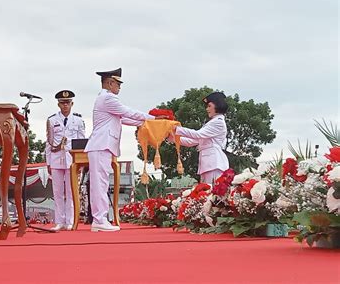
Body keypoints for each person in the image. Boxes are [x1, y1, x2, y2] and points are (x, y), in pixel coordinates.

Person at [84, 68, 166, 232]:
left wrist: (146, 123)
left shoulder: (105, 99)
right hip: (101, 144)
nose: (119, 87)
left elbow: (125, 118)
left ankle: (100, 219)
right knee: (100, 184)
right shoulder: (108, 98)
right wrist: (152, 118)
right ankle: (99, 219)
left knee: (101, 183)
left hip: (102, 145)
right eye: (118, 84)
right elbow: (127, 112)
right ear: (110, 83)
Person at [46, 90, 86, 231]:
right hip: (56, 158)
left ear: (72, 104)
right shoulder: (52, 120)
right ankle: (59, 221)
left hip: (72, 159)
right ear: (58, 104)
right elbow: (49, 143)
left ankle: (70, 221)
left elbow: (82, 141)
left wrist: (81, 161)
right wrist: (48, 162)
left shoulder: (79, 121)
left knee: (71, 191)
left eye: (68, 103)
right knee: (57, 192)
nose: (65, 106)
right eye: (62, 103)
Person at [173, 91, 229, 184]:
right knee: (206, 195)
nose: (207, 109)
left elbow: (197, 134)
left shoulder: (218, 122)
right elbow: (192, 141)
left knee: (213, 194)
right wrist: (171, 137)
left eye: (209, 106)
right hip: (208, 164)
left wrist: (177, 129)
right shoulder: (212, 122)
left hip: (214, 164)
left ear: (218, 105)